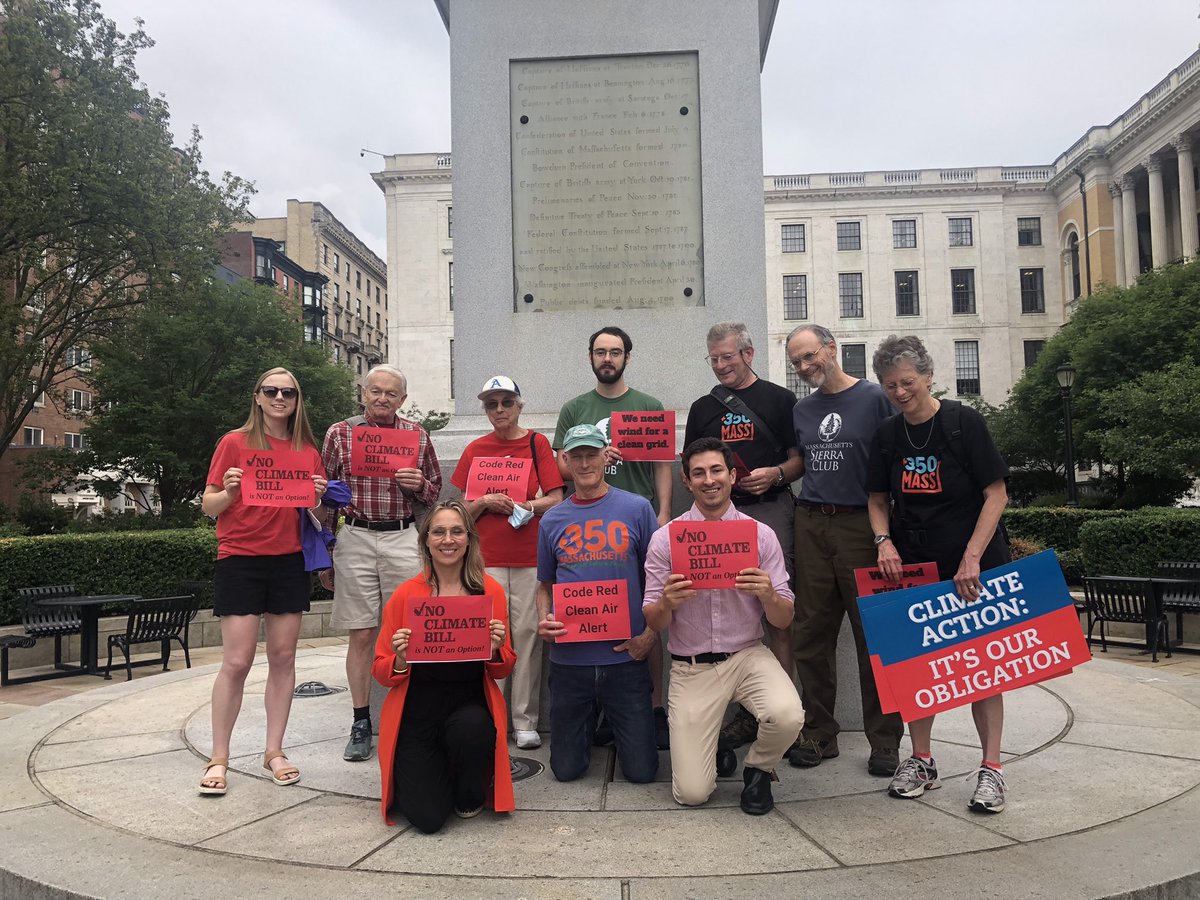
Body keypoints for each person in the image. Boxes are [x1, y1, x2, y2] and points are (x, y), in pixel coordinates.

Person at [865, 335, 1011, 813]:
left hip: (973, 567)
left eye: (907, 382)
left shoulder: (963, 423)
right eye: (890, 386)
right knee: (917, 670)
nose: (901, 392)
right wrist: (883, 541)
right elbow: (877, 499)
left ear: (928, 376)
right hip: (914, 566)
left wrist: (972, 557)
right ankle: (922, 760)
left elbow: (997, 495)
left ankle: (992, 770)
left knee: (982, 671)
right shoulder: (888, 435)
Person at [643, 437, 803, 815]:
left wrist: (768, 594)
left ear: (732, 476)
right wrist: (667, 601)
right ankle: (711, 745)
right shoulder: (666, 539)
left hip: (747, 655)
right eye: (698, 473)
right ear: (686, 481)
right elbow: (653, 620)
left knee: (788, 714)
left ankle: (759, 769)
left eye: (716, 470)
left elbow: (784, 619)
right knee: (693, 794)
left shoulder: (760, 535)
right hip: (692, 666)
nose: (708, 480)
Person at [199, 367, 327, 795]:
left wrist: (320, 497)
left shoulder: (306, 450)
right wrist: (231, 491)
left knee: (283, 658)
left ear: (296, 400)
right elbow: (209, 507)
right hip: (240, 559)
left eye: (288, 393)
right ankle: (220, 756)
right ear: (257, 396)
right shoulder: (234, 443)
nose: (279, 398)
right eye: (271, 391)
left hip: (288, 560)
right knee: (236, 662)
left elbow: (317, 517)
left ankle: (274, 750)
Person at [786, 324, 905, 776]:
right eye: (797, 362)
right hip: (812, 521)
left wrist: (886, 535)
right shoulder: (802, 409)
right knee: (811, 633)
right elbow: (801, 462)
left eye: (809, 356)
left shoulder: (876, 398)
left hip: (862, 524)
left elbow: (892, 466)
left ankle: (885, 740)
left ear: (832, 349)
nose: (804, 367)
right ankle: (819, 732)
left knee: (873, 634)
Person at [684, 321, 802, 750]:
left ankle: (781, 715)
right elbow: (691, 466)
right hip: (719, 520)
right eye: (713, 359)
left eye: (727, 357)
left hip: (769, 511)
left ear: (748, 355)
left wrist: (776, 474)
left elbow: (798, 460)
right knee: (722, 608)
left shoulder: (780, 400)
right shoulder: (701, 408)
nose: (720, 366)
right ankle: (738, 713)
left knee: (777, 608)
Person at [553, 326, 673, 748]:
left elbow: (662, 463)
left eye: (616, 352)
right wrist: (599, 457)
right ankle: (602, 707)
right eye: (601, 352)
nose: (608, 358)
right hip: (588, 526)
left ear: (627, 357)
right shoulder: (573, 409)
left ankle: (654, 706)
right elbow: (561, 467)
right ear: (590, 357)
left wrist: (662, 512)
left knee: (647, 615)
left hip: (638, 521)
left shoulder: (649, 405)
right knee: (595, 608)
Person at [321, 364, 442, 763]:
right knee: (361, 634)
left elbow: (435, 492)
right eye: (376, 391)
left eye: (391, 393)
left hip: (403, 535)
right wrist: (325, 551)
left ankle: (411, 714)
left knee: (410, 629)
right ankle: (360, 720)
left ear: (403, 399)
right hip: (354, 534)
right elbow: (323, 496)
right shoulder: (340, 433)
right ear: (363, 393)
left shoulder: (416, 435)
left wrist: (418, 485)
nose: (382, 398)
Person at [372, 500, 516, 833]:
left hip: (468, 710)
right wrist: (401, 658)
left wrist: (495, 650)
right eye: (438, 532)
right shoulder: (406, 596)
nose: (447, 540)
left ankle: (470, 787)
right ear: (425, 541)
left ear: (469, 539)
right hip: (417, 714)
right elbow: (380, 671)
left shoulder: (489, 591)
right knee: (428, 820)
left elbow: (504, 667)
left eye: (456, 531)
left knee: (472, 730)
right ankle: (439, 772)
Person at [535, 424, 660, 784]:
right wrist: (544, 619)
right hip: (570, 662)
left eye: (592, 454)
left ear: (606, 456)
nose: (585, 463)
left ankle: (618, 726)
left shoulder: (637, 508)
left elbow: (657, 580)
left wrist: (649, 636)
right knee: (567, 771)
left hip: (624, 658)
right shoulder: (553, 519)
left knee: (641, 772)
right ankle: (592, 724)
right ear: (566, 461)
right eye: (577, 456)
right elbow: (545, 585)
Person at [452, 376, 564, 750]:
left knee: (529, 638)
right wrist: (484, 502)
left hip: (531, 558)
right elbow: (459, 513)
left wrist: (524, 506)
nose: (499, 410)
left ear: (519, 405)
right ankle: (490, 716)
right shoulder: (474, 449)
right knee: (488, 638)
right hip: (487, 561)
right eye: (491, 404)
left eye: (506, 402)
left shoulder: (537, 444)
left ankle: (525, 721)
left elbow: (557, 498)